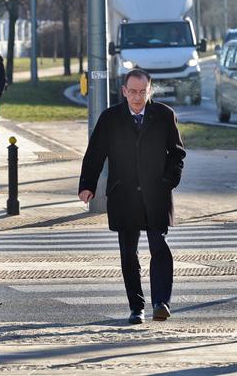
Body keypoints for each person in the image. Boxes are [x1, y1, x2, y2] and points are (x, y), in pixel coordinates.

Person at [78, 68, 186, 325]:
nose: (137, 97)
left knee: (158, 247)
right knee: (129, 253)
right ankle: (136, 307)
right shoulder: (110, 118)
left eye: (142, 92)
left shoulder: (163, 115)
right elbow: (95, 154)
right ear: (124, 91)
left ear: (150, 90)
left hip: (155, 194)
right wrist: (87, 185)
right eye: (133, 92)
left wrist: (168, 182)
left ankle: (161, 302)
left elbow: (177, 154)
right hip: (123, 195)